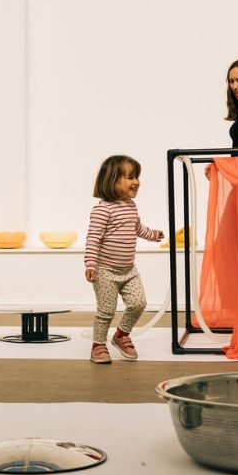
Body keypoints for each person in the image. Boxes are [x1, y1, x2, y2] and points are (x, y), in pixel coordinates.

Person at [84, 155, 164, 364]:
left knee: (139, 303)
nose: (136, 181)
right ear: (112, 181)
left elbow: (137, 228)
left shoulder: (130, 206)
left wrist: (153, 235)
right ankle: (98, 345)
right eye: (130, 177)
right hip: (105, 271)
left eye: (136, 176)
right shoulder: (103, 210)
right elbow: (93, 238)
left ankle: (121, 335)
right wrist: (90, 264)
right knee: (106, 311)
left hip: (128, 270)